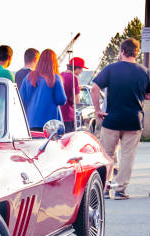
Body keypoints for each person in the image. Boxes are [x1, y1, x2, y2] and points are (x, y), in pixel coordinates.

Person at [91, 38, 150, 200]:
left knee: (107, 155)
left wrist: (97, 110)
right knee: (127, 156)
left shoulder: (111, 69)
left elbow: (95, 89)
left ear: (122, 51)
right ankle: (120, 190)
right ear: (136, 53)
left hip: (112, 120)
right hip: (133, 120)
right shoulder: (144, 71)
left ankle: (104, 189)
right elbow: (147, 94)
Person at [19, 49, 67, 130]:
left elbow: (21, 100)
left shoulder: (28, 77)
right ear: (54, 63)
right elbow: (61, 100)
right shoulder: (55, 78)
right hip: (50, 125)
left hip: (30, 123)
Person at [60, 57, 87, 132]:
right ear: (77, 68)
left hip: (59, 115)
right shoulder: (74, 79)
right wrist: (78, 90)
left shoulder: (60, 75)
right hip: (68, 116)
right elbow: (76, 101)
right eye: (81, 69)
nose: (82, 71)